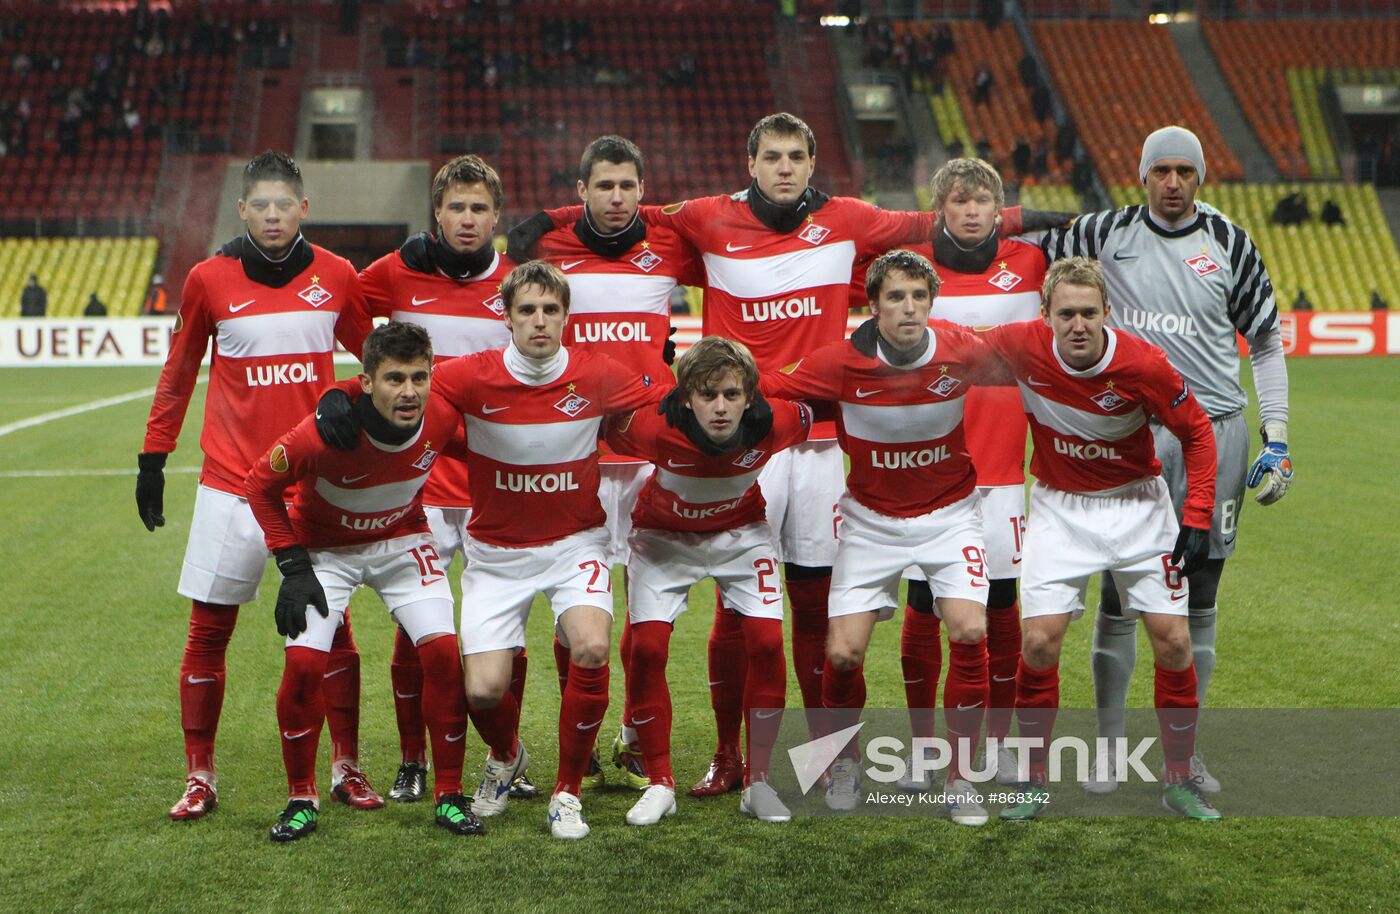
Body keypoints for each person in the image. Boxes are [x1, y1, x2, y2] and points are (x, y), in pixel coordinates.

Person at [513, 112, 954, 799]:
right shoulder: (709, 220)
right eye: (771, 156)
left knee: (811, 609)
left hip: (811, 444)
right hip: (734, 437)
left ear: (812, 165)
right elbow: (625, 212)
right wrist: (550, 215)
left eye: (796, 157)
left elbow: (933, 233)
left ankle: (831, 758)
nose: (784, 167)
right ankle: (729, 758)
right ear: (750, 164)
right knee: (733, 606)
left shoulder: (846, 225)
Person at [359, 261, 662, 839]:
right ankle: (506, 757)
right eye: (527, 310)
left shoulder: (598, 374)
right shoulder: (468, 377)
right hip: (496, 552)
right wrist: (346, 401)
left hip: (577, 543)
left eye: (551, 310)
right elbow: (406, 390)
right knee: (483, 690)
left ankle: (566, 793)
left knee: (593, 647)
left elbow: (670, 400)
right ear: (506, 317)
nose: (540, 321)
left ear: (567, 316)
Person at [1039, 126, 1292, 793]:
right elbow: (1016, 255)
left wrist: (1280, 437)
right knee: (1121, 595)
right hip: (1135, 432)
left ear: (1200, 177)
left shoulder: (1230, 242)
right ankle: (1109, 750)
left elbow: (1265, 342)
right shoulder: (1104, 232)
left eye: (1185, 171)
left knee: (1202, 590)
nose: (1173, 183)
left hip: (1217, 429)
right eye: (1162, 171)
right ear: (1142, 174)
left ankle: (1187, 750)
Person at [137, 150, 375, 821]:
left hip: (312, 484)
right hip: (231, 485)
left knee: (336, 634)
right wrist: (154, 456)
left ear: (304, 208)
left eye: (284, 205)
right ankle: (199, 776)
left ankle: (346, 767)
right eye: (260, 206)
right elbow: (180, 371)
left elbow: (379, 362)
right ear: (242, 211)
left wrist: (351, 396)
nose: (273, 216)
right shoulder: (208, 278)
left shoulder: (337, 276)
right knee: (209, 629)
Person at [979, 257, 1220, 821]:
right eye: (1067, 313)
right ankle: (1033, 783)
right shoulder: (1019, 345)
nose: (1079, 324)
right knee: (1038, 643)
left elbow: (1198, 430)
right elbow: (954, 348)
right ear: (1046, 316)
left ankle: (1179, 780)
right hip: (1060, 512)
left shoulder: (1144, 364)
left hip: (1139, 505)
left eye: (1090, 312)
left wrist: (1199, 513)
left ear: (1108, 312)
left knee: (1175, 642)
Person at [764, 250, 997, 826]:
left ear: (932, 302)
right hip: (870, 523)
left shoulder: (962, 350)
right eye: (895, 297)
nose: (908, 308)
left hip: (950, 516)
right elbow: (767, 385)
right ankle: (843, 762)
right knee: (842, 653)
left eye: (919, 296)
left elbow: (1033, 361)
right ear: (874, 305)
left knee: (969, 629)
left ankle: (962, 778)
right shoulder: (839, 362)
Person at [849, 158, 1053, 786]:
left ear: (999, 209)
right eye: (958, 200)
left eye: (983, 200)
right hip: (929, 469)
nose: (970, 211)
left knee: (997, 606)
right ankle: (923, 746)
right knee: (925, 608)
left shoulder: (1031, 263)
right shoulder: (912, 271)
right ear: (939, 208)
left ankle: (994, 742)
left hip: (1001, 473)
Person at [510, 135, 704, 790]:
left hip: (650, 449)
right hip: (576, 450)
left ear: (642, 191)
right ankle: (583, 741)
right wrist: (549, 224)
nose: (617, 197)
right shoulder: (551, 250)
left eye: (628, 186)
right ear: (582, 192)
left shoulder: (669, 245)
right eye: (604, 186)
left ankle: (631, 732)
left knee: (646, 600)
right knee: (576, 601)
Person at [244, 321, 481, 842]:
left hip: (402, 541)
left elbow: (489, 444)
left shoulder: (440, 417)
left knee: (442, 655)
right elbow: (259, 485)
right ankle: (301, 797)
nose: (409, 391)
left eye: (420, 377)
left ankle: (449, 794)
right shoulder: (320, 433)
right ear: (367, 382)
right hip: (325, 552)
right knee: (305, 664)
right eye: (394, 379)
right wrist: (293, 564)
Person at [337, 154, 522, 805]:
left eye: (479, 209)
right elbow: (341, 299)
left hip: (501, 479)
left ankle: (507, 756)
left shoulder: (516, 285)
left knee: (506, 625)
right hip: (421, 480)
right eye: (456, 208)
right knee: (416, 627)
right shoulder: (398, 271)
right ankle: (413, 759)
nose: (468, 220)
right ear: (436, 214)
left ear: (496, 217)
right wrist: (379, 378)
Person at [603, 337, 813, 826]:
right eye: (707, 395)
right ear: (685, 397)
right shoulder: (650, 427)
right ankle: (660, 783)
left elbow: (818, 406)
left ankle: (757, 782)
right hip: (663, 537)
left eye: (733, 395)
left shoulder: (780, 422)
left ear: (750, 397)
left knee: (765, 642)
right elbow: (608, 427)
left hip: (741, 534)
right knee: (648, 648)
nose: (720, 408)